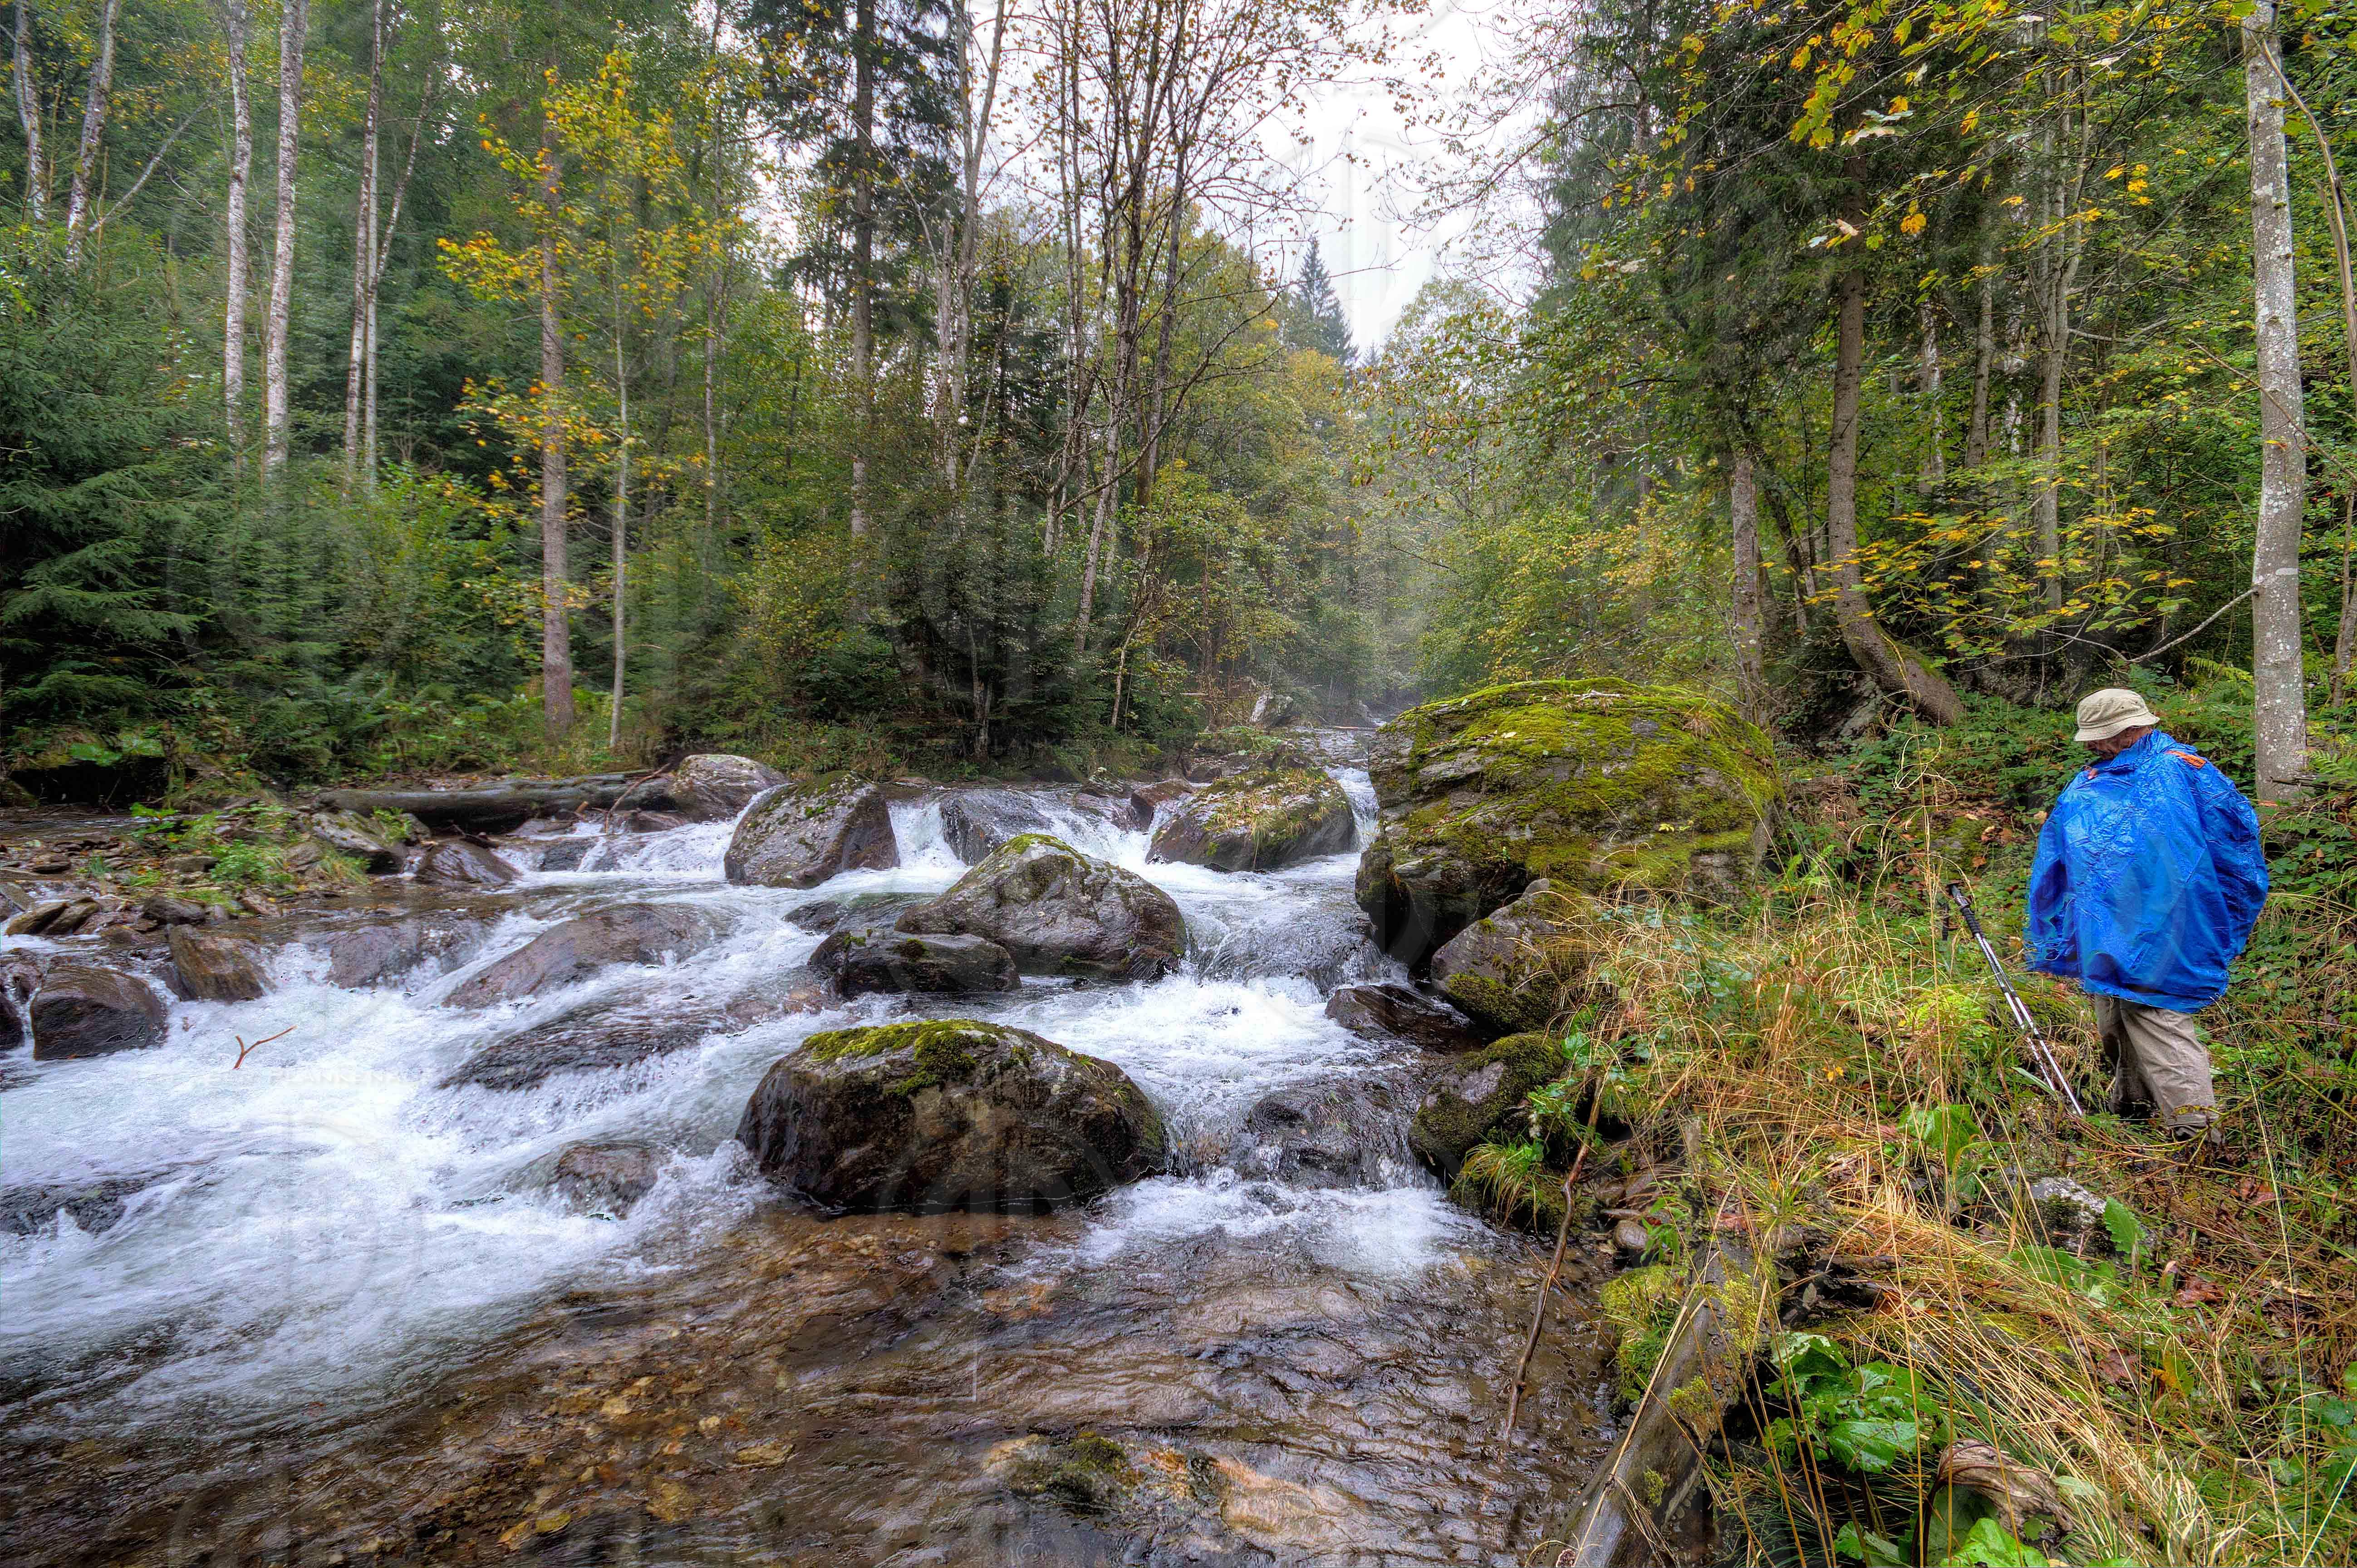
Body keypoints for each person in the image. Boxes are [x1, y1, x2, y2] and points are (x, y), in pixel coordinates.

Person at [2023, 688, 2269, 1135]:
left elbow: (2236, 854)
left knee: (2157, 1018)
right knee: (2113, 1017)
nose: (2092, 745)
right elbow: (2059, 856)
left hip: (2169, 929)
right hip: (2107, 928)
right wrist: (2057, 924)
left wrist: (2226, 922)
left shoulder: (2186, 772)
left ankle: (2196, 1135)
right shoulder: (2093, 779)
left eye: (2100, 737)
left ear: (2130, 728)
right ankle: (2132, 1112)